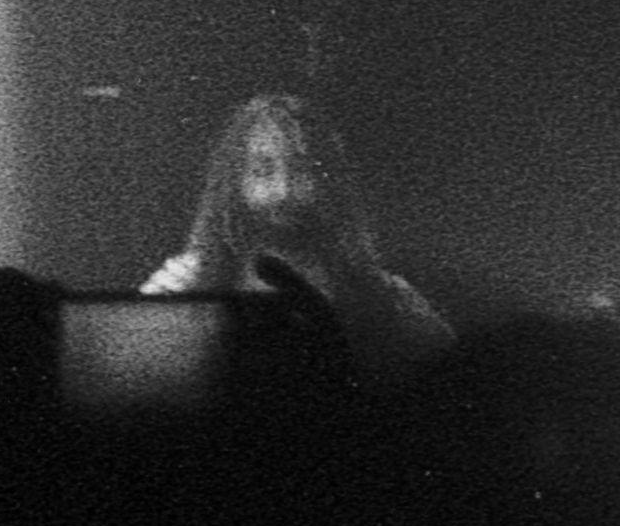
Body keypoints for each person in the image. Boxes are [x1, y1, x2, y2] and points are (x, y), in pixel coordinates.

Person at [142, 91, 454, 384]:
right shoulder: (183, 286)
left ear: (328, 181)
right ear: (234, 184)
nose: (284, 191)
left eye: (301, 170)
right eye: (263, 171)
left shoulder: (384, 296)